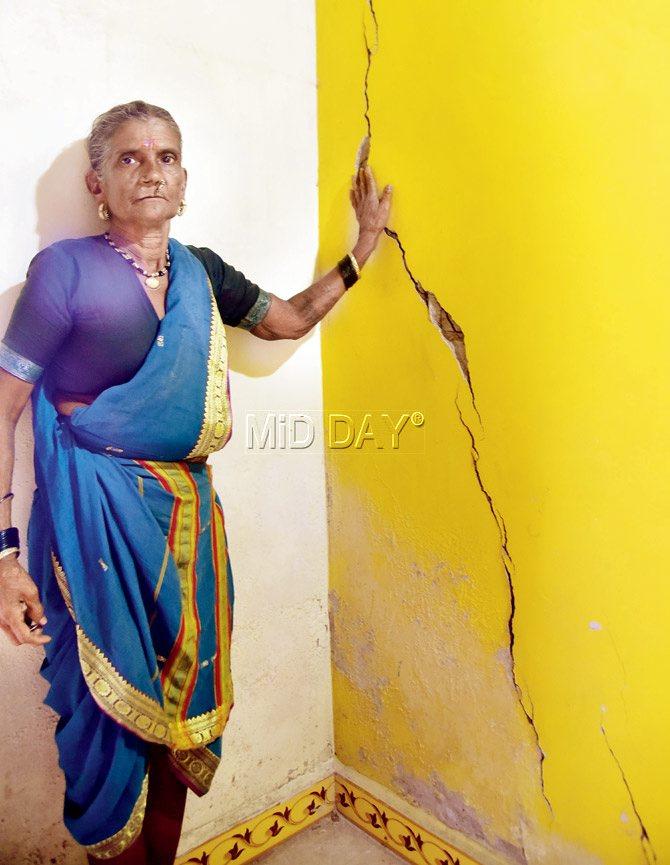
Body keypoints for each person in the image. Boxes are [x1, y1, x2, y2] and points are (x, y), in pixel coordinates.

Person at [0, 100, 392, 864]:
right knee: (110, 725)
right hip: (97, 527)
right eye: (130, 157)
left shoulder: (203, 273)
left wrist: (359, 254)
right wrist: (3, 553)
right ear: (96, 181)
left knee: (185, 719)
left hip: (190, 528)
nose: (151, 170)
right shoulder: (64, 272)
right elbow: (3, 405)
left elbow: (284, 319)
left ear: (185, 180)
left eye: (166, 157)